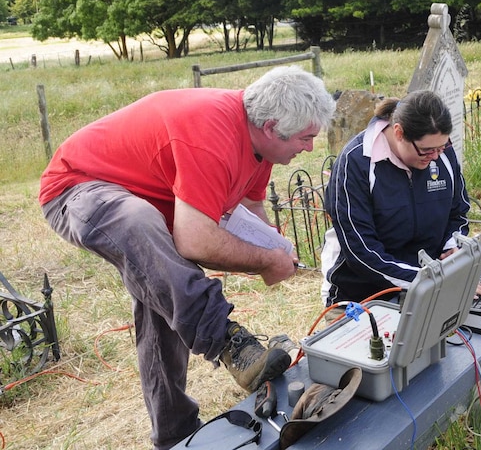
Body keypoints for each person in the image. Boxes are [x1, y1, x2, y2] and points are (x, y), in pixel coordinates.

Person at [39, 66, 336, 450]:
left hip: (142, 199)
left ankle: (174, 434)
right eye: (306, 137)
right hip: (78, 187)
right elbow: (195, 241)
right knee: (139, 222)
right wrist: (264, 261)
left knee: (165, 301)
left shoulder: (259, 146)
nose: (310, 148)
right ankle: (230, 343)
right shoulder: (211, 135)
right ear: (271, 126)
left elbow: (249, 207)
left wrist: (276, 250)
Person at [321, 90, 481, 308]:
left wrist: (451, 246)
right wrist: (436, 281)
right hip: (361, 296)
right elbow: (361, 253)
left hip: (429, 287)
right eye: (426, 150)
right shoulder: (356, 162)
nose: (436, 157)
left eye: (441, 147)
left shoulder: (440, 152)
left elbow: (458, 212)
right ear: (398, 132)